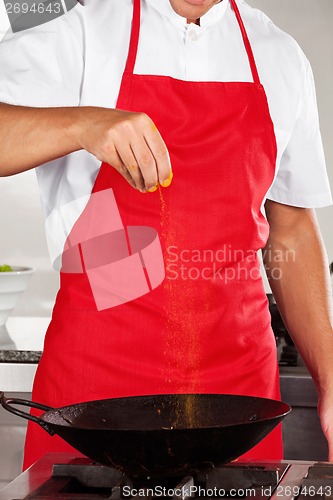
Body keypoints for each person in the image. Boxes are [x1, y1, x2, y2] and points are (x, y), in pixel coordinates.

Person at [0, 0, 333, 469]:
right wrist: (82, 123)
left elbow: (293, 229)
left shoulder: (278, 51)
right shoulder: (83, 24)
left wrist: (331, 378)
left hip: (238, 395)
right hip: (98, 386)